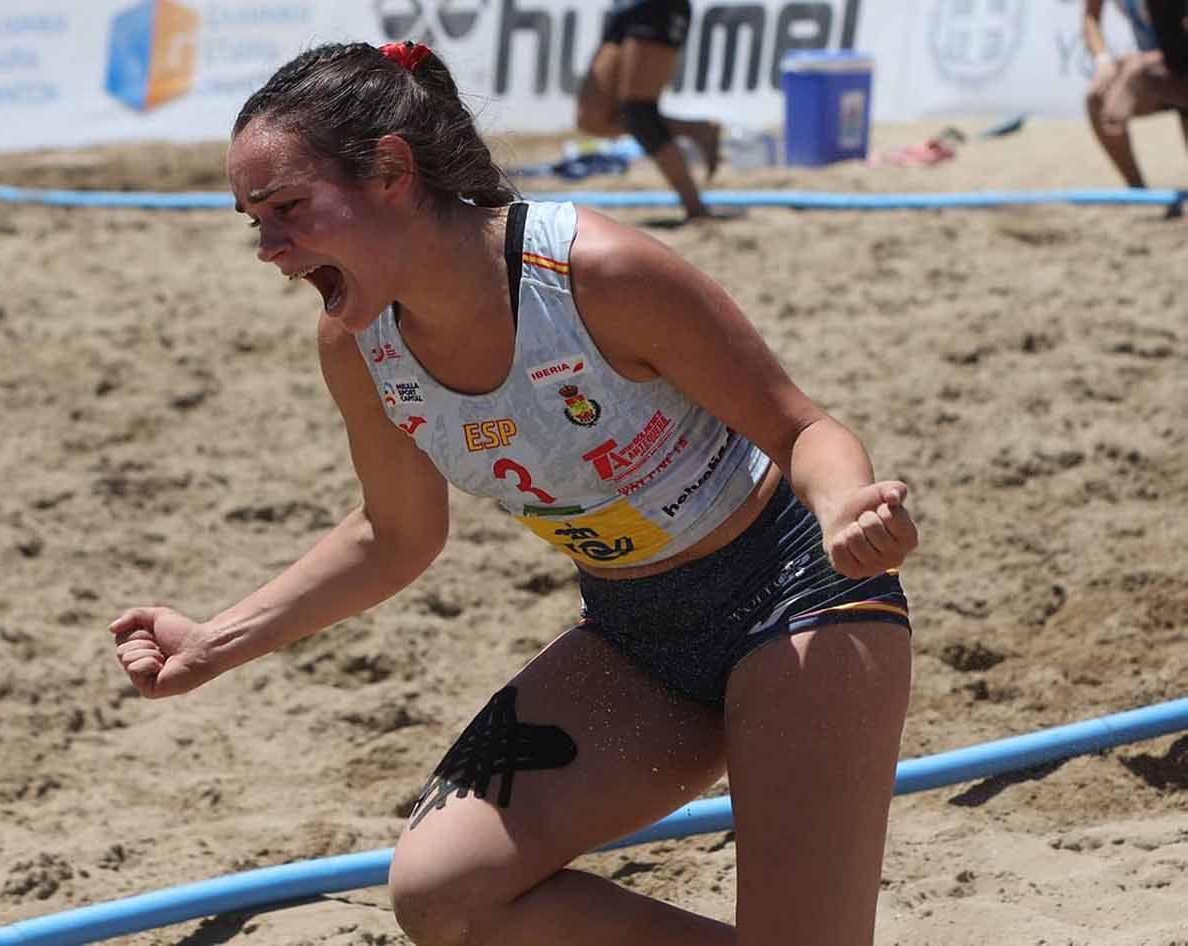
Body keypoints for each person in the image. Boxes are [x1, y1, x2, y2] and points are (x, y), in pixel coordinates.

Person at [110, 40, 919, 946]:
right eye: (250, 220)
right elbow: (393, 536)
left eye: (286, 209)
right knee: (443, 895)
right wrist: (212, 643)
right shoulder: (358, 343)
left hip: (799, 605)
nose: (267, 248)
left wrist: (845, 503)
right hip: (636, 634)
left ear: (390, 171)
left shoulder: (593, 272)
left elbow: (802, 428)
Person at [575, 0, 723, 222]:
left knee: (638, 113)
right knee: (592, 118)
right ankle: (696, 130)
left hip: (657, 7)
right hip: (624, 10)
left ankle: (695, 208)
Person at [1084, 0, 1188, 188]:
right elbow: (1090, 17)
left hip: (1175, 66)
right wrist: (1103, 61)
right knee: (1099, 100)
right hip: (1161, 68)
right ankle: (1139, 192)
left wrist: (1146, 63)